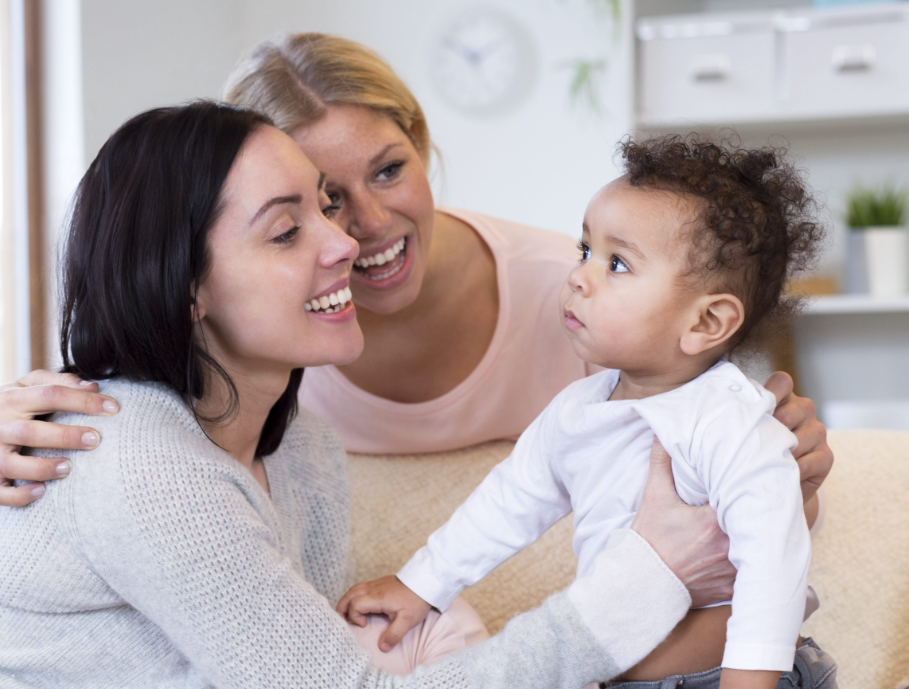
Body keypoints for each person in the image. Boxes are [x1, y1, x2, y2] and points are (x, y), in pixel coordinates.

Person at [0, 102, 736, 688]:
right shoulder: (137, 461)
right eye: (288, 230)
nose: (344, 242)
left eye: (323, 208)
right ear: (184, 287)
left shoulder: (304, 450)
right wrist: (644, 575)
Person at [0, 33, 831, 516]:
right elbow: (116, 424)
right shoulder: (245, 336)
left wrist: (780, 458)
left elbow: (729, 482)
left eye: (389, 170)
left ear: (422, 141)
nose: (361, 227)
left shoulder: (575, 296)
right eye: (316, 202)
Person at [338, 136, 837, 689]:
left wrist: (747, 683)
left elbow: (773, 563)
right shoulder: (577, 408)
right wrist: (421, 585)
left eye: (617, 263)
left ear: (705, 323)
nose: (579, 275)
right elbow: (509, 502)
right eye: (584, 251)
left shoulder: (731, 422)